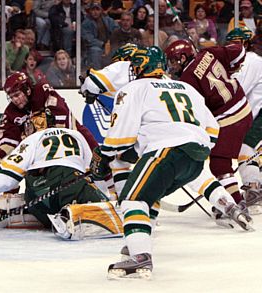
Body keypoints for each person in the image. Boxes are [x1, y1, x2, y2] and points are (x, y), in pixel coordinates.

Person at [92, 46, 252, 280]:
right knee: (150, 194)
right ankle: (138, 238)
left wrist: (105, 154)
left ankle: (140, 256)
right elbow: (211, 129)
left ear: (142, 65)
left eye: (136, 65)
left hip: (166, 151)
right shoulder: (187, 88)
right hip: (195, 157)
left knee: (131, 199)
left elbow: (120, 136)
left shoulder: (135, 88)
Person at [0, 128, 109, 228]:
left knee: (33, 202)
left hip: (37, 191)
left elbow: (11, 168)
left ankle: (3, 212)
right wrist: (105, 197)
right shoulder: (76, 134)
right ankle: (75, 212)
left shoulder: (33, 138)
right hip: (69, 178)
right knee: (106, 209)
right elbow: (93, 171)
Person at [165, 39, 253, 206]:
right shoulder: (208, 53)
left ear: (183, 57)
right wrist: (234, 67)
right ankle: (240, 192)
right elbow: (239, 50)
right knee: (229, 155)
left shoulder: (186, 80)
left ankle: (236, 203)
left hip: (229, 119)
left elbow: (197, 113)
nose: (173, 66)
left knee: (220, 164)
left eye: (174, 61)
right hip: (243, 107)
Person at [0, 71, 98, 174]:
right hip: (44, 153)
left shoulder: (42, 91)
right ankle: (10, 192)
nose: (14, 100)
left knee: (98, 159)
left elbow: (61, 117)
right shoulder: (11, 112)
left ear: (27, 90)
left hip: (71, 140)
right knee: (20, 160)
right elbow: (8, 138)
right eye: (11, 97)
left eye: (17, 95)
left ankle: (110, 184)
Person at [227, 28, 262, 213]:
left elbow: (236, 90)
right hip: (254, 114)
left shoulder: (250, 60)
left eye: (235, 43)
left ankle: (254, 188)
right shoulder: (248, 60)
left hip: (259, 115)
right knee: (251, 151)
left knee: (245, 147)